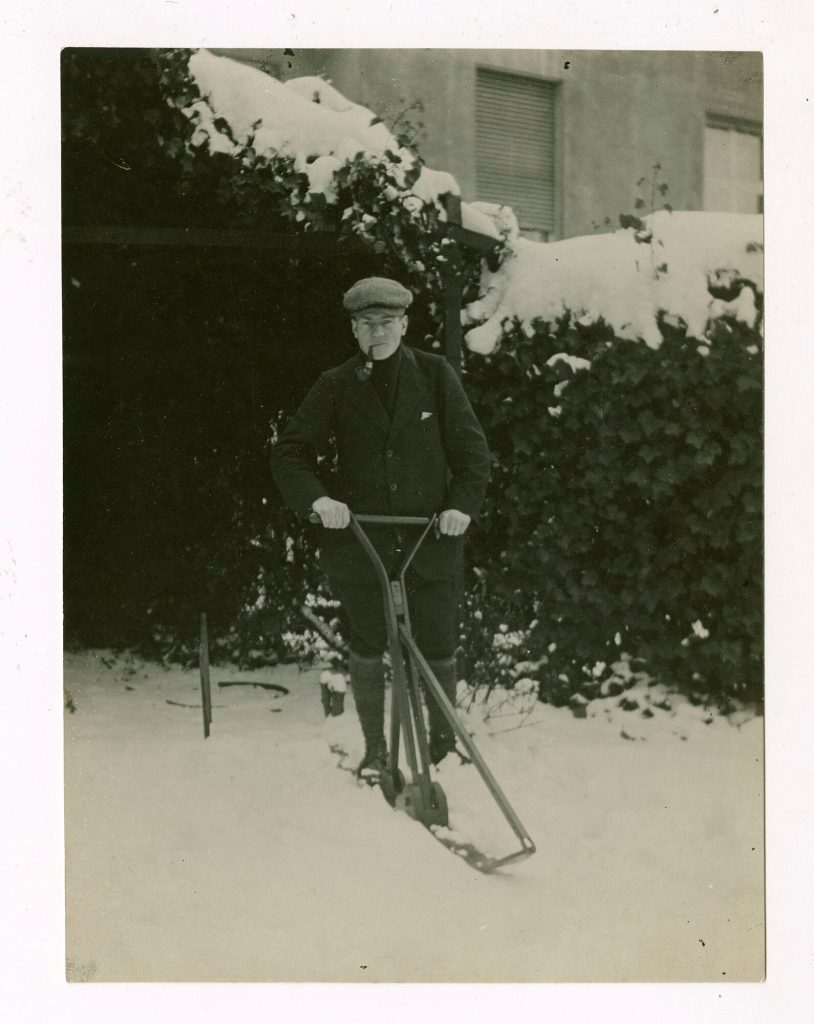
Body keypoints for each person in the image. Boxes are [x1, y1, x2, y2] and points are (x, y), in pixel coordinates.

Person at [270, 277, 490, 778]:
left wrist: (460, 507)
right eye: (367, 323)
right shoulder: (335, 384)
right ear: (353, 329)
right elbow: (290, 453)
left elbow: (473, 456)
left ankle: (442, 746)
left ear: (404, 324)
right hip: (361, 543)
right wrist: (320, 499)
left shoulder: (435, 376)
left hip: (429, 542)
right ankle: (375, 751)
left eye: (387, 322)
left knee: (436, 644)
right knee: (367, 643)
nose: (378, 331)